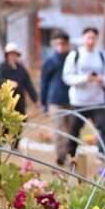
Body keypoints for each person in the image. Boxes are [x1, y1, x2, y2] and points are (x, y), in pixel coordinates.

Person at [62, 27, 105, 162]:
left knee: (104, 128)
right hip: (78, 101)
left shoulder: (101, 55)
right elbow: (67, 77)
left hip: (97, 100)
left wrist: (102, 80)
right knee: (74, 130)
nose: (91, 41)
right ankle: (71, 155)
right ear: (83, 38)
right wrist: (85, 78)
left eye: (93, 38)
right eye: (88, 38)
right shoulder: (75, 55)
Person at [40, 31, 71, 165]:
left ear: (67, 44)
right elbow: (44, 82)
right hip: (55, 100)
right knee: (59, 129)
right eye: (57, 44)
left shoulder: (72, 59)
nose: (60, 46)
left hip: (71, 100)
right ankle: (61, 155)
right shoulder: (50, 61)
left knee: (70, 130)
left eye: (63, 43)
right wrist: (43, 102)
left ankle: (70, 154)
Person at [0, 43, 38, 117]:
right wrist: (8, 82)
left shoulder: (21, 69)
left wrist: (35, 99)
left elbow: (28, 84)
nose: (13, 57)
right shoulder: (2, 68)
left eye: (14, 54)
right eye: (11, 54)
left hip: (20, 102)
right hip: (6, 103)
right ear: (7, 55)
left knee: (20, 121)